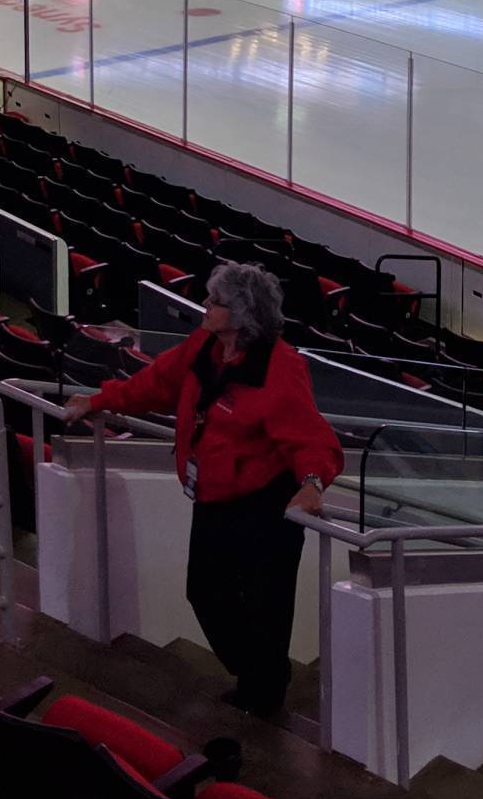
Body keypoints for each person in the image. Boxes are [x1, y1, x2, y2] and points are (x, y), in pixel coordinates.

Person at [67, 263, 343, 719]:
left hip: (266, 506)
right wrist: (99, 401)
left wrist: (313, 484)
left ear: (243, 315)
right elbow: (156, 384)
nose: (206, 307)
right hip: (214, 498)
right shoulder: (205, 345)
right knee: (205, 592)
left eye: (216, 302)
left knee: (265, 609)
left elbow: (312, 438)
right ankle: (256, 676)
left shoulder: (282, 368)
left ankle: (264, 696)